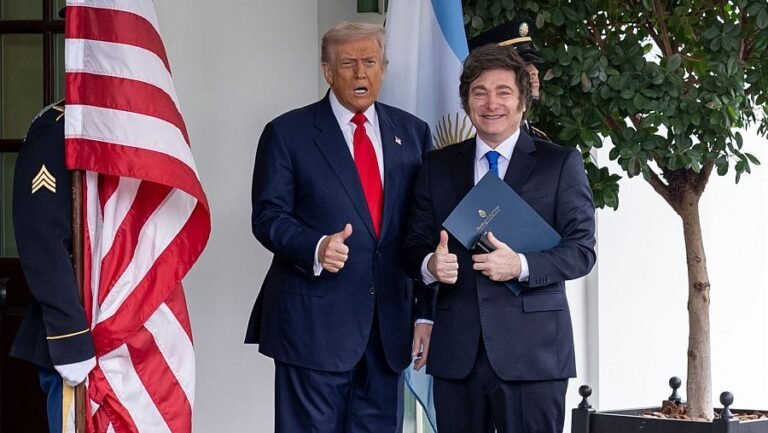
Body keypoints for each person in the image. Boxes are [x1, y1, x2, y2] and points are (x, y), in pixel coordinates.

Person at [246, 22, 433, 433]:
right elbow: (268, 215)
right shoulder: (287, 133)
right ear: (328, 71)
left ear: (384, 68)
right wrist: (315, 246)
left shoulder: (413, 133)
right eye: (348, 63)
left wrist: (425, 313)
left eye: (370, 62)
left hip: (388, 331)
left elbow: (423, 230)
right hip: (312, 329)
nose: (360, 73)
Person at [403, 44, 596, 433]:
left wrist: (520, 265)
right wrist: (429, 265)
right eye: (480, 92)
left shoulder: (559, 163)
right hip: (457, 352)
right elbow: (412, 246)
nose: (491, 103)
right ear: (466, 102)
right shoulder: (437, 166)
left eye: (503, 92)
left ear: (523, 101)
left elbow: (581, 251)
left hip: (533, 354)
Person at [10, 99, 96, 433]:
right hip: (76, 326)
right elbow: (41, 237)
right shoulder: (58, 126)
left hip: (127, 328)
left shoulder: (131, 121)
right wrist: (71, 337)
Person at [469, 18, 550, 140]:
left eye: (531, 64)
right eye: (520, 67)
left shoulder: (536, 137)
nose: (534, 71)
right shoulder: (476, 135)